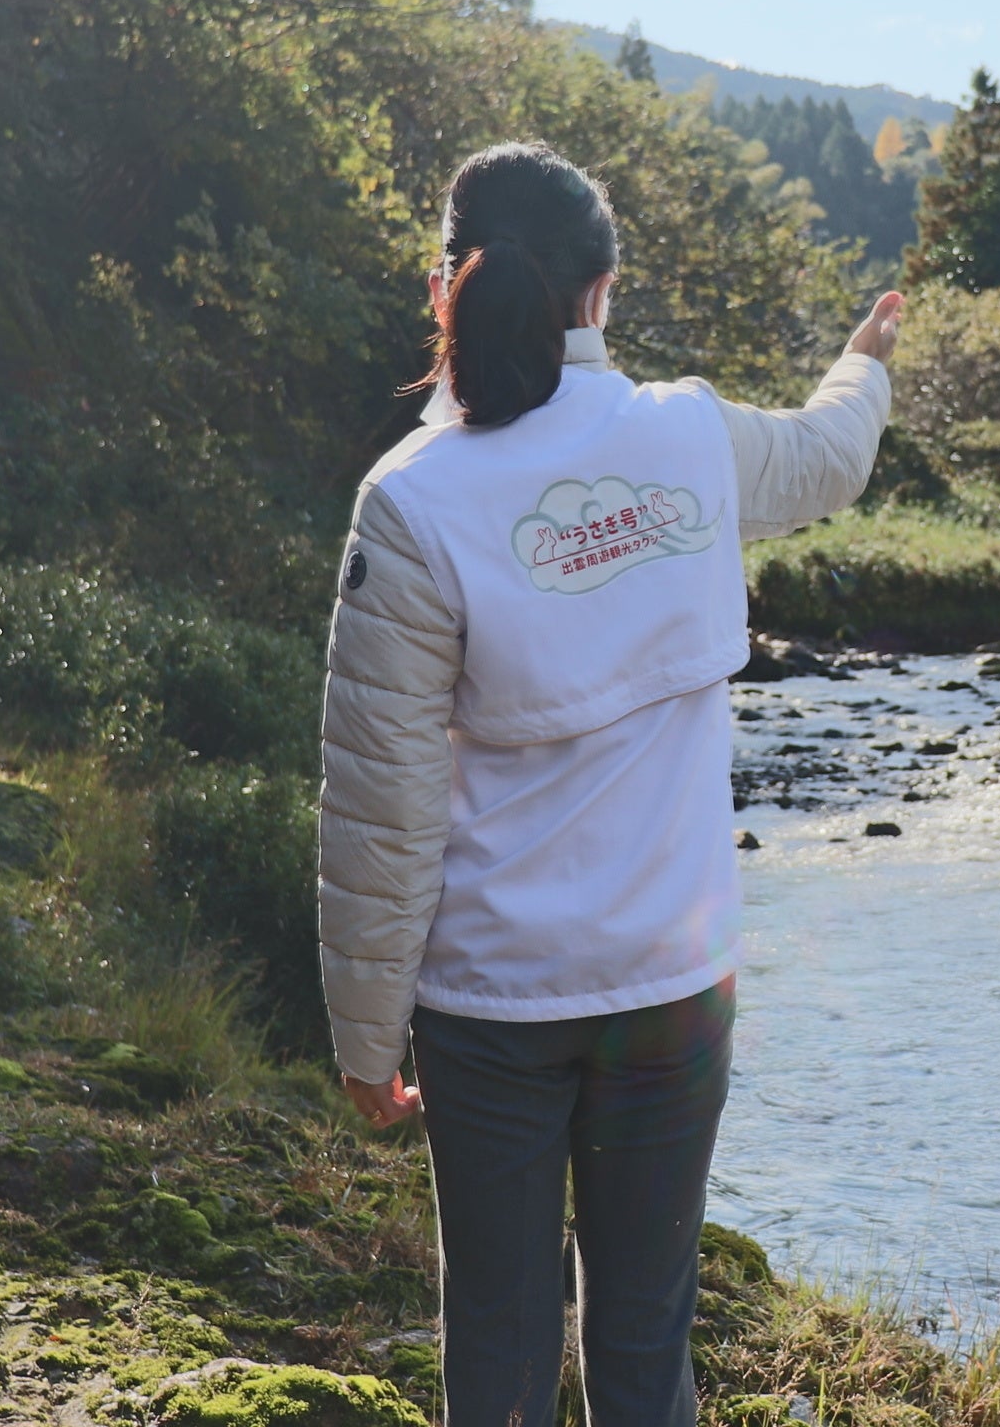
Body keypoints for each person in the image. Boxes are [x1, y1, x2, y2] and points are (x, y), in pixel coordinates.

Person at [316, 142, 903, 1426]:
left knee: (502, 1344)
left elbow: (382, 799)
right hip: (670, 990)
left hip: (490, 1004)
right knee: (646, 1347)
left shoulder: (412, 502)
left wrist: (365, 1031)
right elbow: (825, 458)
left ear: (444, 291)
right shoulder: (687, 435)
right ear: (605, 290)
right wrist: (865, 358)